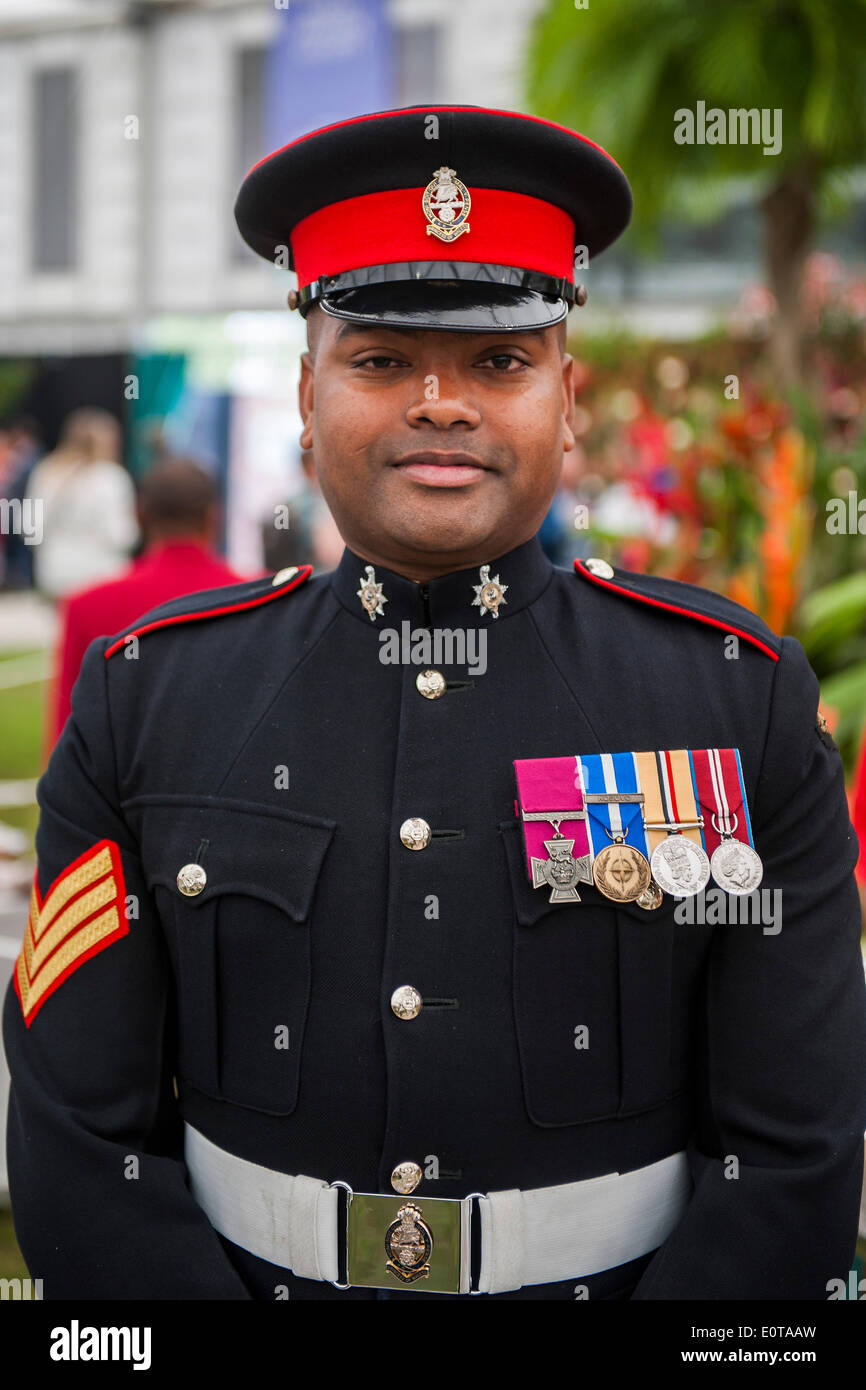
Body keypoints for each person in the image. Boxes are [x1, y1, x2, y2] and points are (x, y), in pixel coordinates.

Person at [4, 105, 866, 1302]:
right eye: (381, 359)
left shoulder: (733, 702)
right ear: (307, 399)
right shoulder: (151, 695)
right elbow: (76, 1147)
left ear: (566, 400)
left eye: (498, 361)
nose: (441, 402)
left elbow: (792, 1159)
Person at [49, 456, 242, 746]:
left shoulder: (86, 607)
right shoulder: (261, 596)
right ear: (214, 517)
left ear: (139, 515)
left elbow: (65, 742)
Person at [25, 407, 138, 600]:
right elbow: (123, 535)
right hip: (103, 574)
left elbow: (29, 529)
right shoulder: (111, 477)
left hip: (54, 572)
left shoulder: (46, 472)